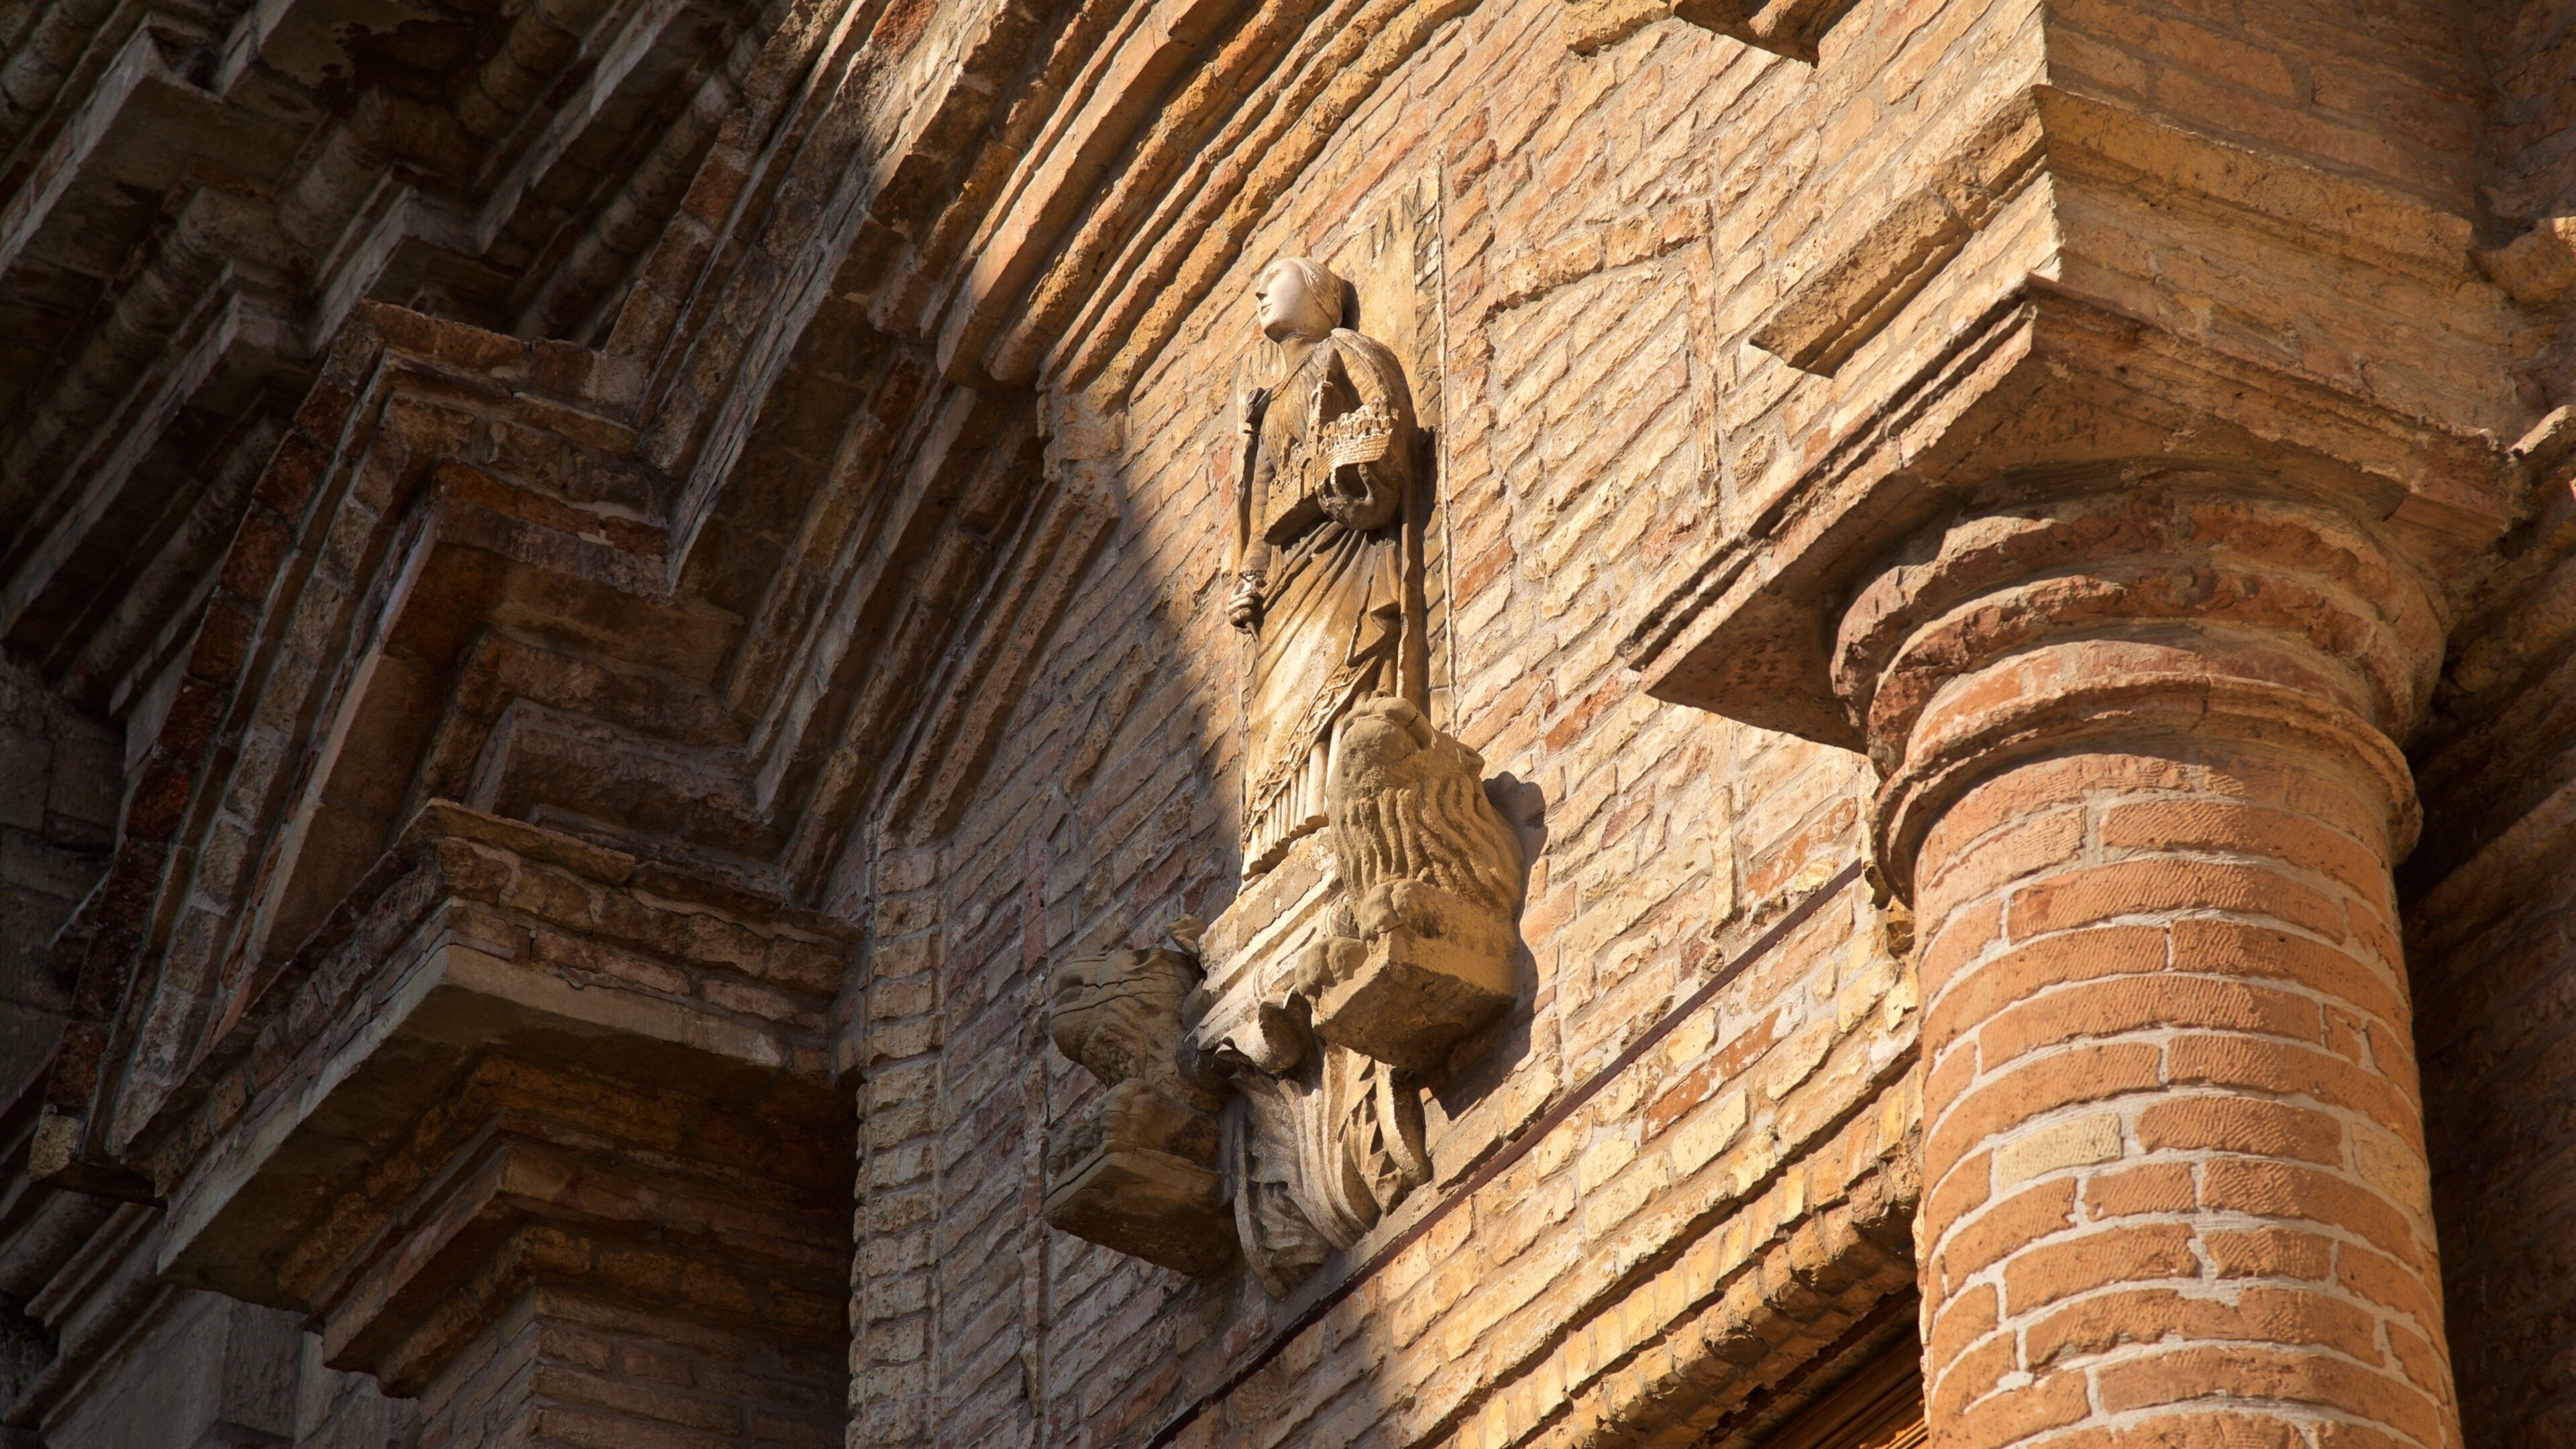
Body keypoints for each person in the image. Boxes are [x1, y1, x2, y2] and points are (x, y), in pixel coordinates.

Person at [1229, 256, 1424, 877]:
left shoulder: (1342, 350)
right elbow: (1262, 514)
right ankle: (1285, 838)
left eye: (1276, 278)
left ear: (1316, 296)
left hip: (1344, 551)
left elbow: (1385, 418)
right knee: (1275, 709)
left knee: (1341, 664)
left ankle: (1342, 804)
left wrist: (1350, 471)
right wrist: (1251, 578)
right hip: (1291, 573)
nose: (1261, 290)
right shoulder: (1269, 409)